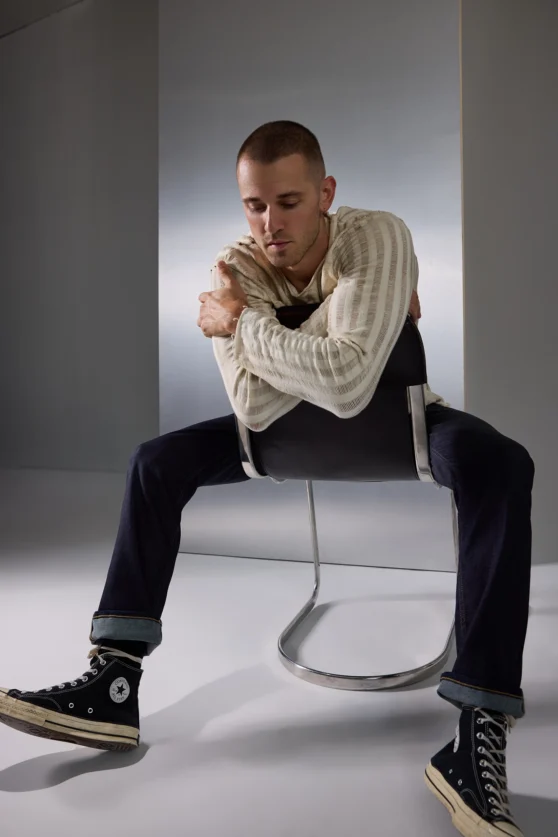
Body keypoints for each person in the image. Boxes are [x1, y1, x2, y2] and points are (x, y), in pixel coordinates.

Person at [0, 121, 533, 837]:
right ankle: (114, 681)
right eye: (255, 205)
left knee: (500, 462)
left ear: (326, 193)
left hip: (399, 425)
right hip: (274, 441)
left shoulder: (376, 237)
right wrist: (344, 332)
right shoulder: (235, 265)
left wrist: (246, 324)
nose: (270, 224)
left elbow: (348, 389)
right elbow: (254, 404)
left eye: (288, 201)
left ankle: (477, 726)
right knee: (154, 462)